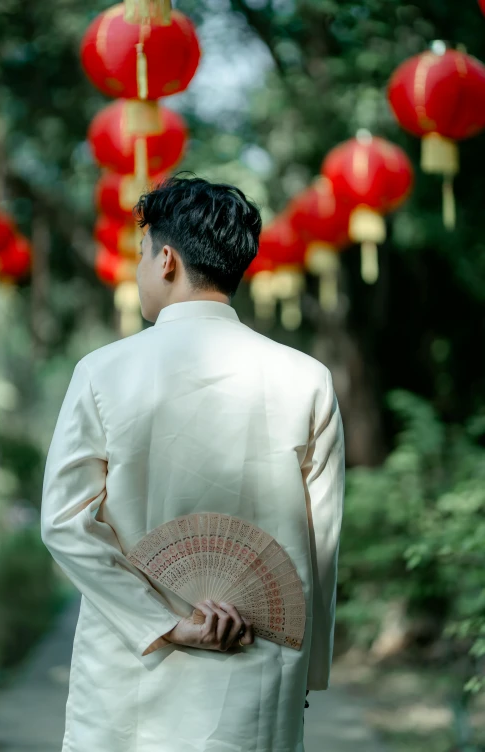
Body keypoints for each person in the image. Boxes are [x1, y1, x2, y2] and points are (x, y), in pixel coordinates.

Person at [41, 174, 345, 752]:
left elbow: (63, 523)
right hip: (258, 661)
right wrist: (306, 671)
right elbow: (319, 543)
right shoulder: (307, 380)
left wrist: (163, 623)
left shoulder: (104, 372)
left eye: (141, 254)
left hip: (130, 669)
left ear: (167, 260)